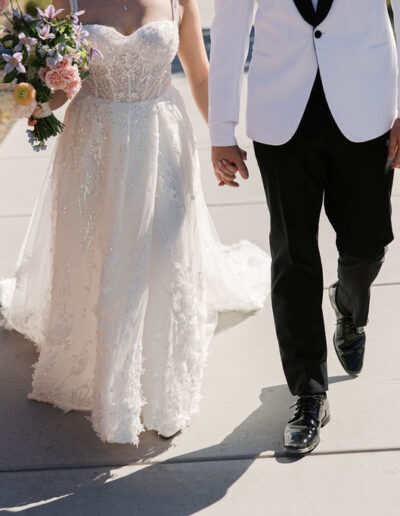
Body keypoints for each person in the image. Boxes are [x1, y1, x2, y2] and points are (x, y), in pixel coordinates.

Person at [0, 0, 270, 445]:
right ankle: (106, 376)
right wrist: (37, 100)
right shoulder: (66, 3)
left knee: (162, 258)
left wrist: (223, 140)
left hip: (160, 137)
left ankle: (159, 382)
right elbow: (60, 80)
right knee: (100, 252)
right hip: (94, 141)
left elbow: (199, 74)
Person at [209, 0, 398, 454]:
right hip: (281, 112)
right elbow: (230, 25)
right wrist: (222, 128)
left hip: (367, 106)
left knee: (368, 242)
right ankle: (308, 393)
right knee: (293, 253)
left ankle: (349, 310)